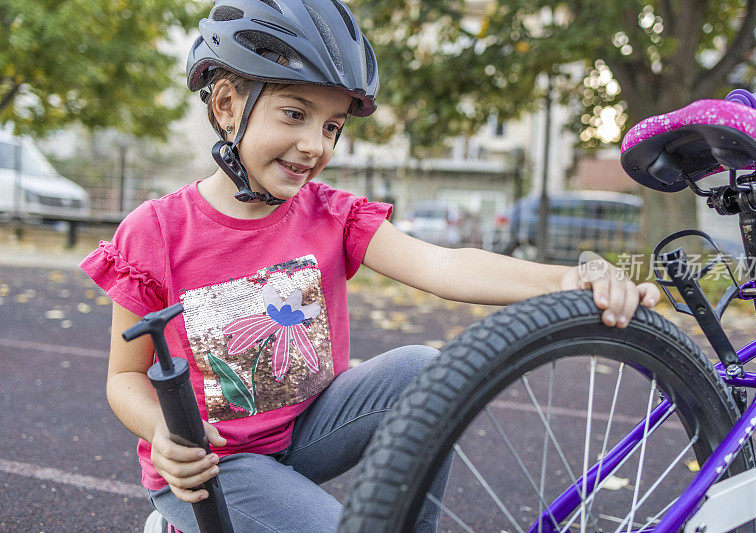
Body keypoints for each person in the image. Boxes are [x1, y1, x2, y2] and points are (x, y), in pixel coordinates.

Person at [80, 1, 661, 531]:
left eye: (331, 126)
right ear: (229, 106)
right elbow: (124, 377)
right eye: (294, 113)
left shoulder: (330, 213)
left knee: (423, 370)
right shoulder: (156, 232)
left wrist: (566, 280)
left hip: (303, 434)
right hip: (211, 466)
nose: (315, 143)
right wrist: (162, 433)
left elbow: (445, 266)